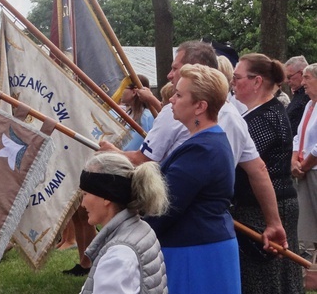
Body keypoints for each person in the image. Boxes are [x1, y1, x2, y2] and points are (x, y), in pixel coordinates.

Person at [103, 40, 287, 251]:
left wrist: (113, 154)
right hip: (207, 228)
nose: (170, 76)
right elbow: (258, 170)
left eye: (175, 68)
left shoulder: (202, 147)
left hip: (189, 237)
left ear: (200, 106)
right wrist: (273, 222)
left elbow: (155, 179)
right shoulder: (233, 117)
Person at [147, 64, 242, 294]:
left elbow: (164, 209)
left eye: (178, 95)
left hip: (196, 254)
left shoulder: (202, 148)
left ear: (200, 106)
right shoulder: (204, 141)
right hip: (198, 246)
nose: (171, 100)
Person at [231, 53, 305, 294]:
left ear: (256, 81)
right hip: (256, 206)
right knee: (259, 291)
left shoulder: (267, 118)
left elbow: (245, 163)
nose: (233, 83)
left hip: (267, 209)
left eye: (237, 78)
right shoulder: (256, 114)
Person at [67, 152, 172, 294]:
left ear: (106, 196)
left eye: (85, 194)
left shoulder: (120, 255)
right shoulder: (141, 230)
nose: (82, 203)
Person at [291, 63, 317, 252]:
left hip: (313, 169)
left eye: (307, 77)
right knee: (310, 224)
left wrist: (305, 165)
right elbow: (299, 136)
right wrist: (294, 159)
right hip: (304, 169)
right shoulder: (309, 105)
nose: (303, 82)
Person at [121, 75, 155, 152]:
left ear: (134, 92)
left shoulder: (146, 118)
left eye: (123, 87)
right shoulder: (130, 113)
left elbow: (132, 147)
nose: (120, 91)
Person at [285, 55, 309, 138]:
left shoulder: (309, 95)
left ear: (301, 73)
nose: (287, 81)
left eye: (289, 77)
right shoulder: (298, 94)